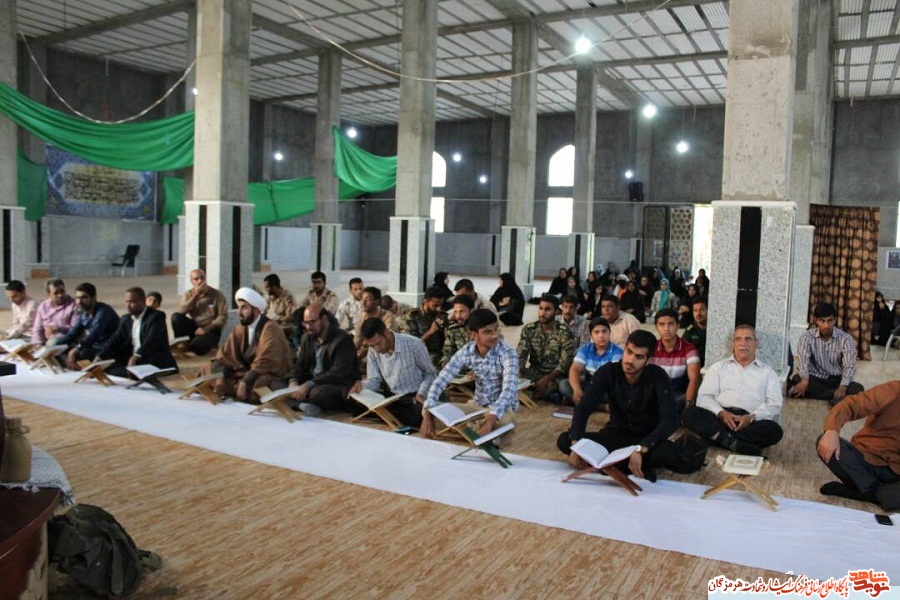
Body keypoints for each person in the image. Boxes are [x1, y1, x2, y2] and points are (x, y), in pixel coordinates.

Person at [557, 330, 681, 482]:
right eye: (629, 352)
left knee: (667, 452)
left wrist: (641, 449)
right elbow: (583, 407)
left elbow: (670, 419)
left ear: (648, 360)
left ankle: (611, 464)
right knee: (565, 440)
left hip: (644, 439)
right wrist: (577, 444)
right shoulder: (608, 371)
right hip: (614, 435)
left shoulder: (658, 376)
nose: (630, 360)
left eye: (639, 357)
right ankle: (625, 465)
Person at [682, 325, 783, 456]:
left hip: (749, 421)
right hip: (720, 417)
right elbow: (704, 397)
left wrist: (751, 417)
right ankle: (734, 442)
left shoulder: (768, 372)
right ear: (733, 343)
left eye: (748, 339)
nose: (743, 343)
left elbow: (774, 403)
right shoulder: (718, 368)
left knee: (775, 431)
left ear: (756, 343)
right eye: (738, 339)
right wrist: (721, 413)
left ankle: (719, 437)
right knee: (690, 413)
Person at [422, 309, 519, 439]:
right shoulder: (467, 351)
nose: (495, 335)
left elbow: (509, 390)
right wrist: (428, 413)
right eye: (488, 332)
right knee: (431, 409)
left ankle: (466, 428)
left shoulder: (508, 353)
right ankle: (476, 430)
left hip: (502, 409)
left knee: (506, 422)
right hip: (477, 406)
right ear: (474, 335)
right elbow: (441, 380)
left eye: (496, 329)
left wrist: (491, 419)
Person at [816, 380, 900, 510]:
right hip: (868, 457)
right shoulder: (893, 390)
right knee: (826, 444)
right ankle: (879, 493)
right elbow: (851, 405)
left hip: (897, 473)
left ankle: (865, 493)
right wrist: (832, 430)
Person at [203, 287, 292, 403]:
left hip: (264, 373)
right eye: (238, 308)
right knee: (208, 369)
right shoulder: (240, 328)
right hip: (245, 372)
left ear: (256, 310)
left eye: (244, 308)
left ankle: (235, 389)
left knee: (261, 383)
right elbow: (224, 355)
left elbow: (266, 360)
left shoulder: (270, 328)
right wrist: (219, 378)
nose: (239, 313)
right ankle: (235, 388)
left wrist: (245, 381)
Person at [349, 317, 436, 427]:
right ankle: (385, 412)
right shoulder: (373, 350)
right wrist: (362, 386)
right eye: (372, 346)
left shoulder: (414, 344)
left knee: (417, 416)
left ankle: (381, 413)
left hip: (413, 397)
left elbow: (430, 373)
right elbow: (375, 380)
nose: (376, 349)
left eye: (378, 343)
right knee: (348, 396)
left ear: (386, 332)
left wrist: (422, 393)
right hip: (390, 397)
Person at [287, 303, 359, 416]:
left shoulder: (342, 339)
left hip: (334, 384)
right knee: (275, 383)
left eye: (312, 322)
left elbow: (338, 373)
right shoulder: (307, 338)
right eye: (306, 323)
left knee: (318, 393)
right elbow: (300, 365)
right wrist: (293, 382)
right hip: (311, 382)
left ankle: (296, 403)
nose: (308, 327)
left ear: (324, 319)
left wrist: (309, 384)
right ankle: (301, 405)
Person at [790, 302, 864, 405]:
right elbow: (803, 362)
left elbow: (849, 366)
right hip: (815, 378)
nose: (826, 325)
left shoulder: (845, 339)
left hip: (836, 380)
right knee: (797, 379)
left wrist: (842, 387)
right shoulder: (807, 337)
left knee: (857, 388)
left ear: (835, 320)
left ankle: (829, 394)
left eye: (830, 321)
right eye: (822, 321)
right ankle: (833, 396)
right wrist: (804, 381)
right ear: (816, 320)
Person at [98, 287, 177, 377]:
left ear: (142, 301)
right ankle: (128, 372)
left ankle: (131, 373)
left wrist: (135, 356)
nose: (128, 305)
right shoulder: (126, 319)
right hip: (133, 357)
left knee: (132, 367)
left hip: (151, 357)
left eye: (132, 302)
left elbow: (151, 341)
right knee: (106, 363)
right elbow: (116, 339)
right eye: (126, 302)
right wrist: (99, 357)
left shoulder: (156, 317)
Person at [517, 294, 575, 404]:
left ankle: (552, 396)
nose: (542, 313)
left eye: (547, 309)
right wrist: (519, 376)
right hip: (534, 372)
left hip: (555, 375)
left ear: (556, 312)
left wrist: (546, 379)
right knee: (508, 381)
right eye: (541, 308)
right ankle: (549, 397)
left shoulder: (564, 332)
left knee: (561, 386)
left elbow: (565, 362)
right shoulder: (529, 329)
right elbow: (521, 355)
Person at [650, 309, 701, 412]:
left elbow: (694, 379)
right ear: (656, 327)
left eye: (671, 324)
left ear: (677, 326)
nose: (666, 329)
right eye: (662, 324)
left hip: (678, 397)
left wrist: (688, 407)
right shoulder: (651, 348)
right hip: (655, 396)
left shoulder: (689, 349)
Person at [59, 282, 119, 369]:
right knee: (61, 349)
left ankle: (81, 367)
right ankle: (76, 366)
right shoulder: (83, 312)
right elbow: (72, 334)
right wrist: (49, 348)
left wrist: (75, 350)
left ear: (93, 298)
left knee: (82, 353)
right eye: (77, 298)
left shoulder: (103, 312)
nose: (79, 302)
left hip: (107, 347)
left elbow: (94, 335)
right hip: (93, 346)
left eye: (84, 298)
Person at [564, 317, 623, 405]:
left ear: (609, 333)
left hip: (606, 388)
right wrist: (577, 390)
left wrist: (590, 391)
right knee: (564, 385)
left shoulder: (617, 352)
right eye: (596, 332)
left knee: (617, 394)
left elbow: (612, 377)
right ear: (591, 335)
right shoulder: (585, 349)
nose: (601, 335)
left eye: (604, 331)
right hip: (589, 385)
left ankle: (586, 403)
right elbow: (575, 369)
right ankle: (598, 405)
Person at [171, 269, 228, 356]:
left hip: (210, 329)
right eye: (196, 279)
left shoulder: (217, 294)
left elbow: (223, 317)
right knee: (176, 317)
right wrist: (196, 295)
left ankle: (197, 344)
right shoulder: (188, 294)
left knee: (197, 347)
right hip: (195, 327)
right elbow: (181, 311)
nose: (200, 281)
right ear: (191, 281)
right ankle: (182, 343)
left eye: (202, 278)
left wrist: (206, 329)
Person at [401, 287, 448, 367]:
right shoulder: (411, 316)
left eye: (441, 305)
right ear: (425, 301)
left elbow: (448, 341)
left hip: (438, 354)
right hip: (418, 354)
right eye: (435, 305)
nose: (439, 309)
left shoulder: (442, 315)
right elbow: (410, 345)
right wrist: (430, 332)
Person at [31, 279, 79, 345]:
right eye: (56, 293)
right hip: (45, 340)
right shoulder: (43, 306)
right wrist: (37, 343)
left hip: (65, 340)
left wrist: (58, 328)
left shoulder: (73, 305)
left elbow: (75, 329)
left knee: (53, 342)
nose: (60, 295)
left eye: (62, 291)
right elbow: (37, 329)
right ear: (48, 295)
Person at [441, 294, 475, 368]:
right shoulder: (453, 329)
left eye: (462, 311)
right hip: (460, 369)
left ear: (471, 311)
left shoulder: (482, 329)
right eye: (456, 312)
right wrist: (445, 362)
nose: (458, 316)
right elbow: (448, 351)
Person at [683, 298, 708, 367]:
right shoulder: (690, 331)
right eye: (695, 310)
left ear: (708, 310)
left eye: (701, 310)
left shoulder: (715, 329)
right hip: (695, 366)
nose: (698, 314)